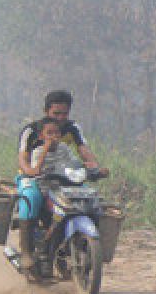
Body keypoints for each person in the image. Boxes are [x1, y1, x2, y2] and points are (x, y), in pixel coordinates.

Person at [13, 90, 107, 272]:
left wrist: (94, 167)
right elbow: (23, 158)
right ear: (46, 111)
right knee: (31, 199)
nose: (61, 118)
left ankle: (80, 245)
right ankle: (26, 253)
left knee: (88, 198)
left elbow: (83, 150)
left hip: (64, 178)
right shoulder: (32, 130)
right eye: (56, 113)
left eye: (65, 113)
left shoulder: (72, 129)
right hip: (34, 178)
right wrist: (31, 172)